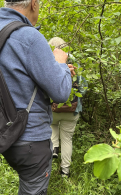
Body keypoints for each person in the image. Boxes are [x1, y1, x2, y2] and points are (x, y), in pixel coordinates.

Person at [0, 1, 76, 195]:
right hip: (31, 139)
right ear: (33, 3)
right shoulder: (29, 36)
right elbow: (61, 93)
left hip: (3, 134)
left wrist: (54, 70)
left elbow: (17, 81)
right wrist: (60, 63)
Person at [49, 37, 88, 178]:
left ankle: (53, 148)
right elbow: (84, 87)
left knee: (52, 125)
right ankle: (65, 171)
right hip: (72, 109)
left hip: (53, 108)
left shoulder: (49, 61)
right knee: (67, 139)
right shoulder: (74, 62)